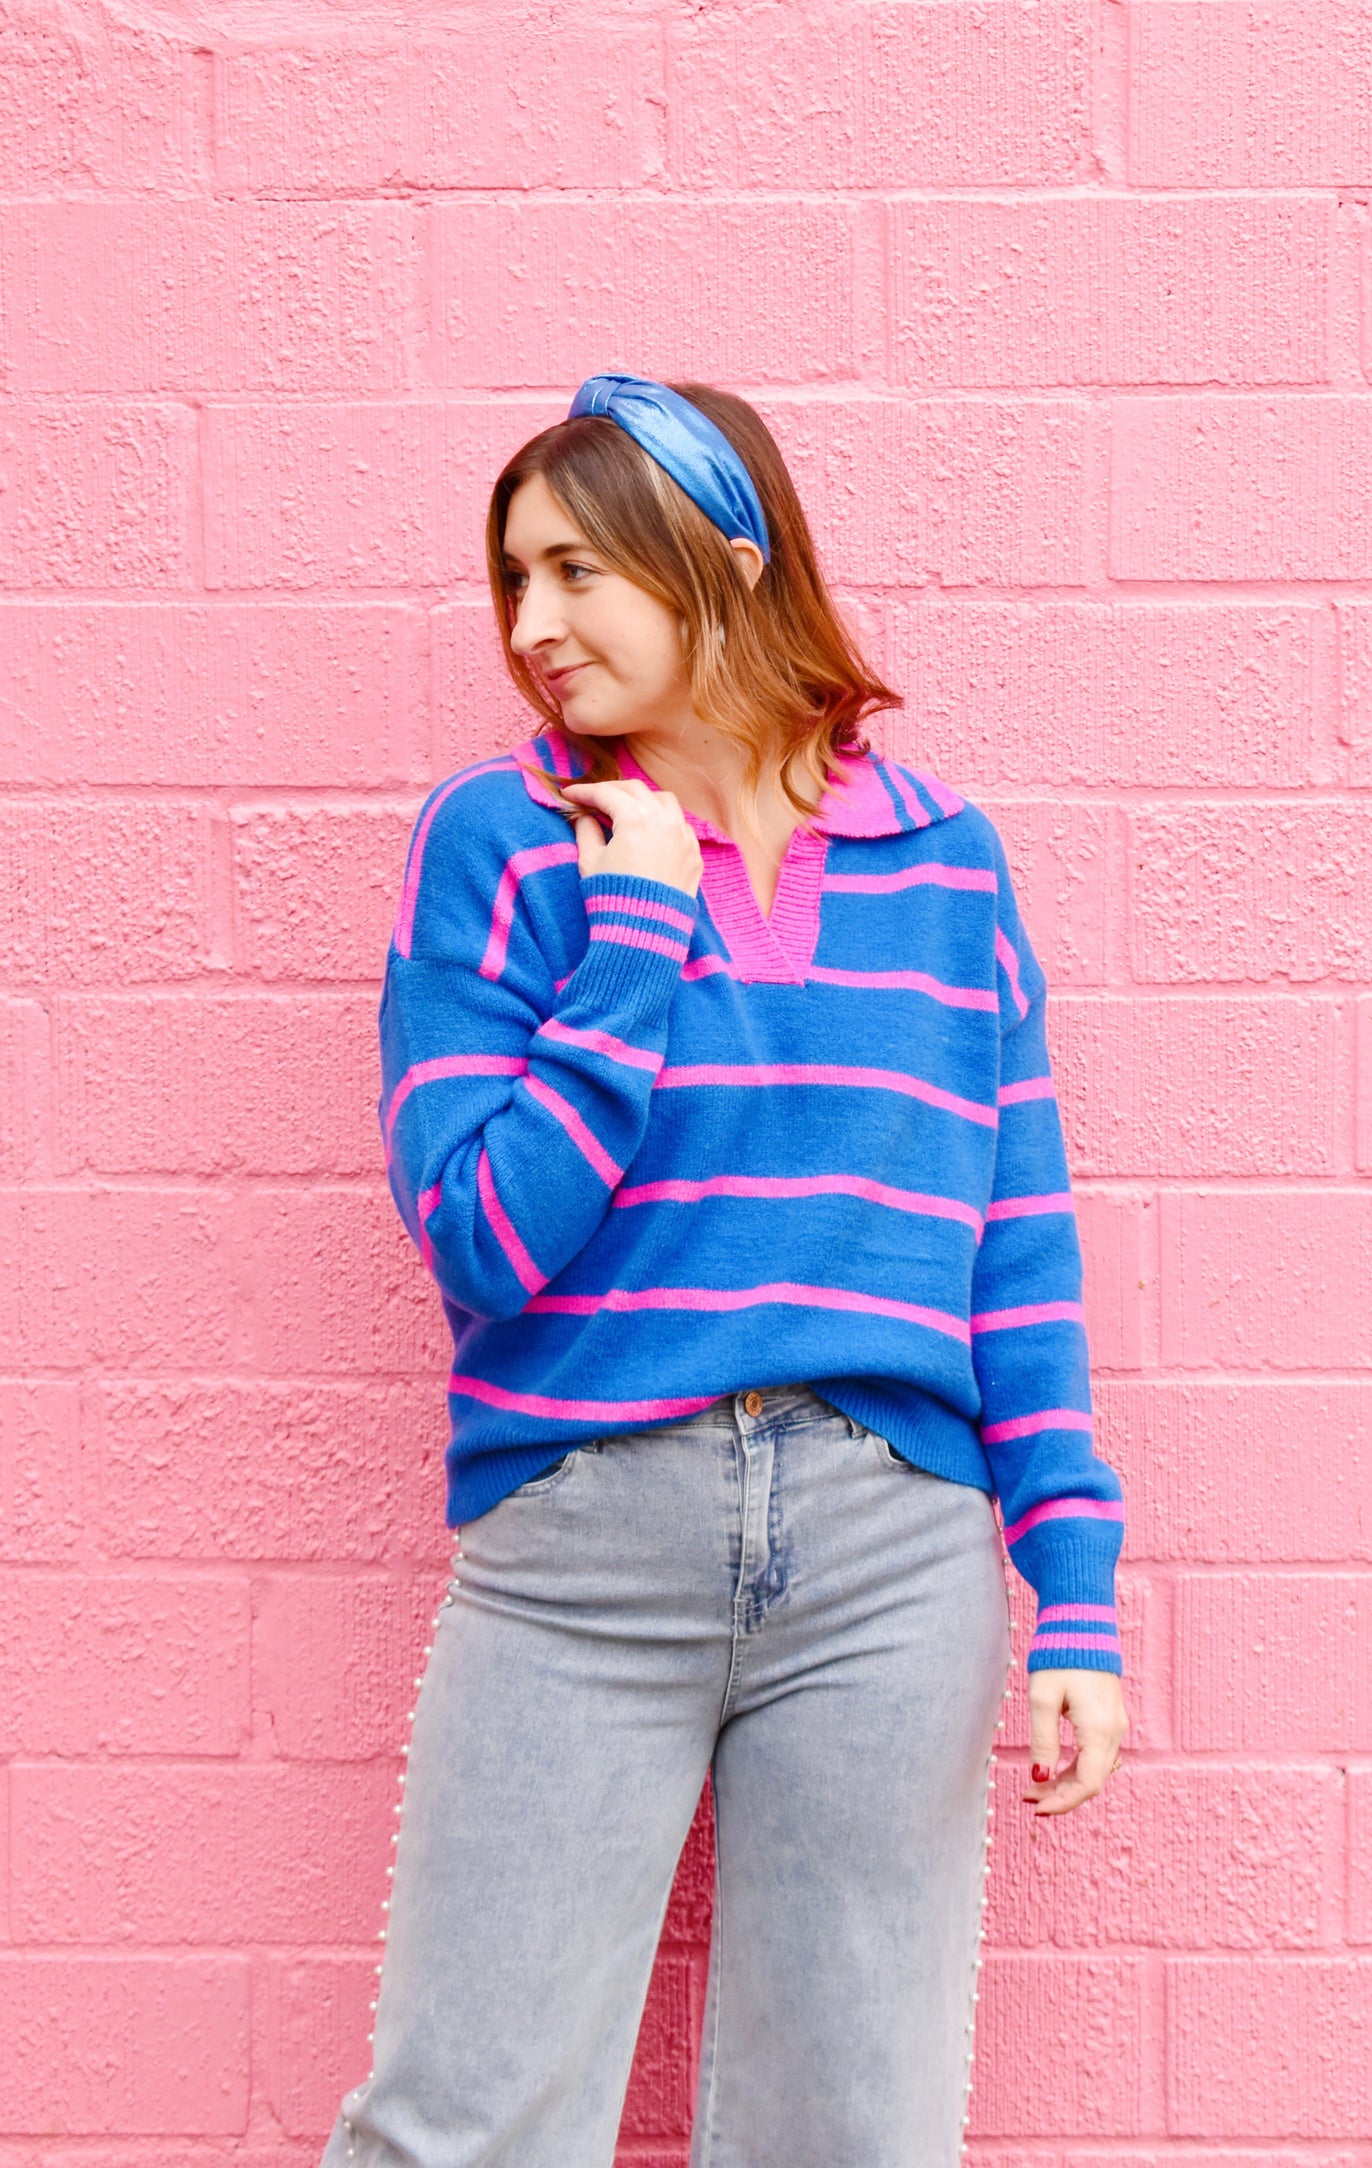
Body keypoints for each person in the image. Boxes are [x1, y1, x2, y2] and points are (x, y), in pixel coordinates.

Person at [322, 374, 1129, 2168]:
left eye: (579, 573)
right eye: (512, 580)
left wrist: (1069, 1591)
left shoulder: (944, 864)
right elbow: (480, 1242)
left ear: (723, 563)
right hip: (581, 1542)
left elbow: (1017, 1249)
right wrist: (639, 936)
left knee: (848, 2133)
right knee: (462, 2125)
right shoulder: (503, 845)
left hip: (890, 1557)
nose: (532, 628)